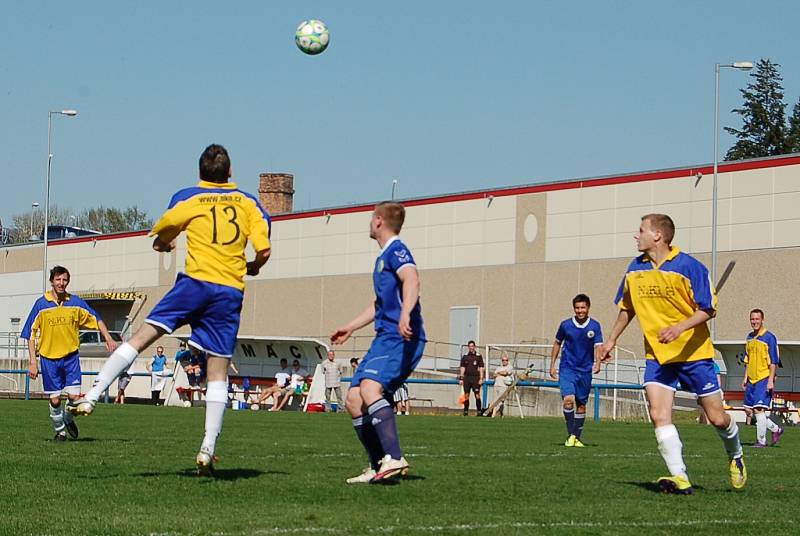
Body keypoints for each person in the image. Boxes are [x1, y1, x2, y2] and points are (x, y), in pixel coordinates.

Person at [68, 144, 272, 476]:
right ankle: (207, 447)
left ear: (200, 172)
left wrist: (166, 243)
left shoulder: (188, 196)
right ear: (230, 172)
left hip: (194, 284)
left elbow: (160, 238)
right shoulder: (249, 202)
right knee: (218, 371)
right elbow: (263, 250)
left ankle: (92, 394)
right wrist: (252, 266)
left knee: (142, 337)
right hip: (228, 293)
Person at [598, 213, 746, 494]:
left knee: (717, 418)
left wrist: (679, 328)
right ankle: (680, 477)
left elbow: (708, 309)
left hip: (694, 354)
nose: (636, 235)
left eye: (640, 230)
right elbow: (626, 308)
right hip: (658, 355)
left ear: (658, 236)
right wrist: (610, 341)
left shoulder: (690, 267)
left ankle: (736, 454)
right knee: (658, 413)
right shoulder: (634, 268)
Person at [331, 201, 425, 484]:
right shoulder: (382, 257)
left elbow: (412, 279)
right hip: (383, 338)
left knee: (371, 389)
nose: (369, 222)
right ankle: (378, 465)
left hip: (400, 337)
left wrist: (406, 313)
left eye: (372, 217)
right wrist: (350, 326)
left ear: (379, 221)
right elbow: (380, 305)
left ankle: (395, 456)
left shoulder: (397, 249)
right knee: (353, 399)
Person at [21, 265, 118, 441]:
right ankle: (60, 431)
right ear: (52, 281)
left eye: (64, 279)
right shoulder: (41, 304)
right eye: (58, 279)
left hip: (70, 357)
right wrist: (33, 362)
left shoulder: (76, 303)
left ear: (68, 282)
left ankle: (68, 418)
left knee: (74, 398)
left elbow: (96, 318)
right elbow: (30, 334)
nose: (61, 283)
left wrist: (108, 338)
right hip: (49, 359)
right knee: (56, 400)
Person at [549, 294, 603, 447]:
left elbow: (598, 346)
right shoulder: (566, 325)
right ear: (574, 308)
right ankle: (571, 435)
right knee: (568, 400)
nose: (580, 311)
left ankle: (575, 437)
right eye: (577, 308)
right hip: (568, 368)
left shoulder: (595, 326)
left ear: (588, 308)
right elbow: (557, 343)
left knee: (581, 405)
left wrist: (598, 363)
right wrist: (552, 364)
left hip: (585, 370)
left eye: (583, 308)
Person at [741, 308, 784, 447]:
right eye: (752, 319)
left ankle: (761, 441)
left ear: (762, 320)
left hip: (764, 378)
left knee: (759, 409)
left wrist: (770, 380)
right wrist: (745, 378)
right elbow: (747, 360)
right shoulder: (749, 338)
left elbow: (773, 361)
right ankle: (776, 429)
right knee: (749, 409)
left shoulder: (769, 337)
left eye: (757, 319)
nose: (754, 322)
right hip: (751, 379)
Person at [459, 340, 485, 416]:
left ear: (475, 347)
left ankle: (479, 411)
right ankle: (466, 411)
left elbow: (481, 368)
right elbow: (463, 367)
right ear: (468, 347)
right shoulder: (465, 356)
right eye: (469, 346)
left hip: (475, 378)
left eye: (472, 346)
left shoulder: (478, 356)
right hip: (467, 378)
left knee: (477, 395)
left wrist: (481, 378)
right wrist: (461, 378)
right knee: (466, 395)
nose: (471, 348)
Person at [491, 353, 514, 418]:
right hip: (496, 385)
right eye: (503, 360)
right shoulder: (499, 367)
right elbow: (494, 375)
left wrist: (499, 373)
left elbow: (506, 373)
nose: (504, 361)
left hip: (503, 386)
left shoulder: (510, 367)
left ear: (508, 361)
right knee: (496, 400)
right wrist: (501, 373)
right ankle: (497, 414)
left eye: (506, 360)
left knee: (501, 400)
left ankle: (496, 414)